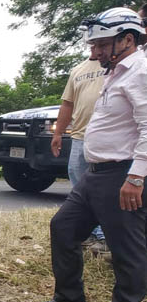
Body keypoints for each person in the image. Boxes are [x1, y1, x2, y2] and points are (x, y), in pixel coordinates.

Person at [31, 8, 147, 302]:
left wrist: (136, 178)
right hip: (96, 173)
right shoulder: (114, 71)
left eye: (101, 45)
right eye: (93, 45)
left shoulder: (140, 71)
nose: (94, 53)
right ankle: (69, 298)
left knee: (126, 246)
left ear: (127, 40)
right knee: (64, 227)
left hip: (122, 173)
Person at [50, 44, 106, 251]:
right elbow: (67, 104)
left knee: (102, 188)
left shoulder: (114, 65)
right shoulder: (78, 70)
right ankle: (87, 233)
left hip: (105, 138)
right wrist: (58, 133)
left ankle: (102, 236)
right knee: (79, 185)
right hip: (79, 137)